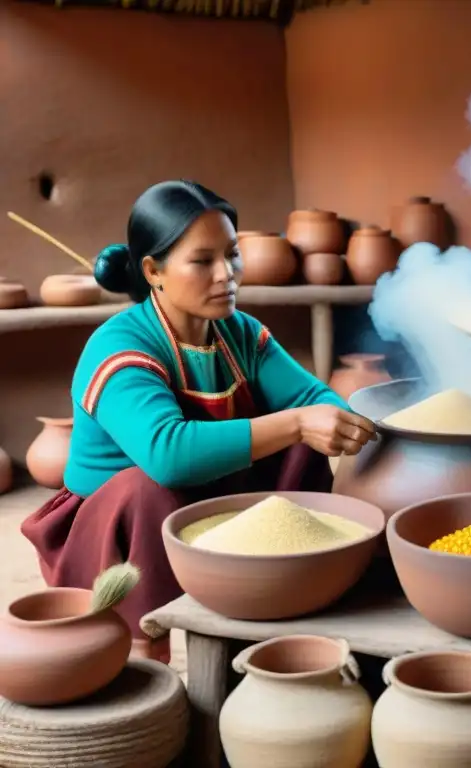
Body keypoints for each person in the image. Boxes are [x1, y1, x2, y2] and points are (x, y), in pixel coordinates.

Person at [22, 181, 376, 663]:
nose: (226, 274)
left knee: (303, 440)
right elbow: (169, 455)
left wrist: (339, 420)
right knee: (147, 485)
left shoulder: (240, 332)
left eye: (232, 255)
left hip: (209, 505)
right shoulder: (120, 347)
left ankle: (282, 593)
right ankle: (150, 653)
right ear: (153, 271)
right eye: (202, 260)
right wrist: (296, 423)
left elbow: (313, 396)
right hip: (112, 539)